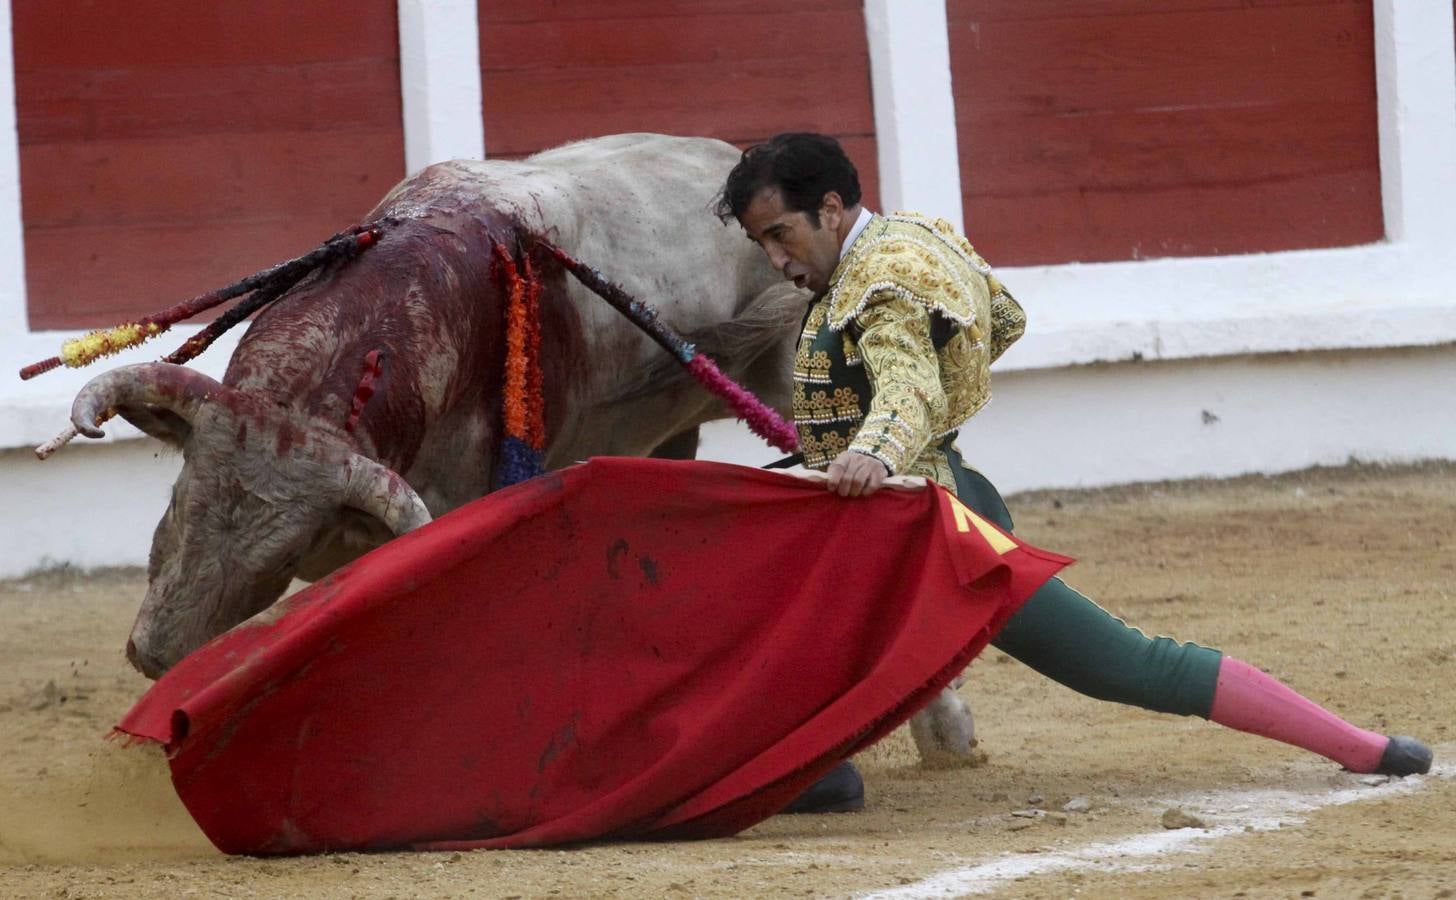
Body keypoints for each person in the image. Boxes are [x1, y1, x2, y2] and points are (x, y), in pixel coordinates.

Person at [714, 132, 1433, 815]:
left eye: (782, 234)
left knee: (1119, 662)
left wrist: (877, 449)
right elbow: (999, 318)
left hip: (923, 528)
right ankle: (810, 763)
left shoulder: (888, 277)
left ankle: (1361, 746)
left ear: (832, 209)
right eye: (762, 243)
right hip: (891, 511)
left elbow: (908, 384)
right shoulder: (907, 243)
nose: (777, 259)